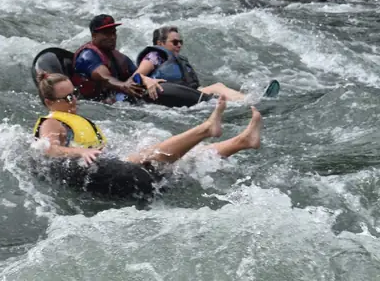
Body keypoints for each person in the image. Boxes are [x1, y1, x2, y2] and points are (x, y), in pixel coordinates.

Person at [33, 71, 262, 178]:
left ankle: (242, 141)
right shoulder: (52, 123)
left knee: (191, 155)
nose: (75, 101)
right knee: (151, 154)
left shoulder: (72, 117)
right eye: (67, 98)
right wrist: (80, 151)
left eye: (75, 94)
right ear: (50, 102)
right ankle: (206, 128)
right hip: (98, 169)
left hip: (109, 162)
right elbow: (50, 149)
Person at [135, 26, 248, 102]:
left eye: (180, 42)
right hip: (164, 93)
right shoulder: (155, 56)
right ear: (160, 43)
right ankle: (248, 102)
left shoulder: (180, 60)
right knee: (218, 87)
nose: (179, 45)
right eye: (174, 42)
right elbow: (135, 76)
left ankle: (241, 99)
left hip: (183, 93)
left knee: (218, 88)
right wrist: (147, 80)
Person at [72, 14, 161, 102]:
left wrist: (145, 79)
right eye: (106, 33)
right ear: (94, 36)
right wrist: (124, 86)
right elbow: (106, 78)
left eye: (113, 32)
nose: (112, 37)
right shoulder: (87, 56)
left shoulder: (118, 57)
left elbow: (135, 74)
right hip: (90, 105)